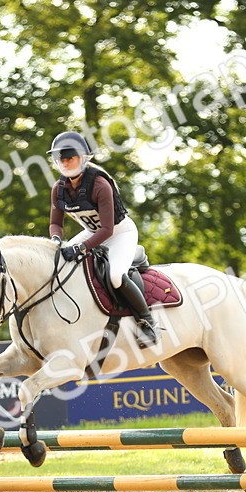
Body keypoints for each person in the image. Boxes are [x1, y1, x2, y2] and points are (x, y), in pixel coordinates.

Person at [47, 131, 158, 348]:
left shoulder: (99, 184)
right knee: (57, 264)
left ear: (84, 158)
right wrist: (56, 241)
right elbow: (56, 224)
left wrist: (80, 248)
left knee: (116, 276)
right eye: (61, 159)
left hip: (119, 233)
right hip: (91, 231)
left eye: (70, 157)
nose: (65, 163)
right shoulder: (59, 189)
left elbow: (107, 229)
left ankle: (147, 322)